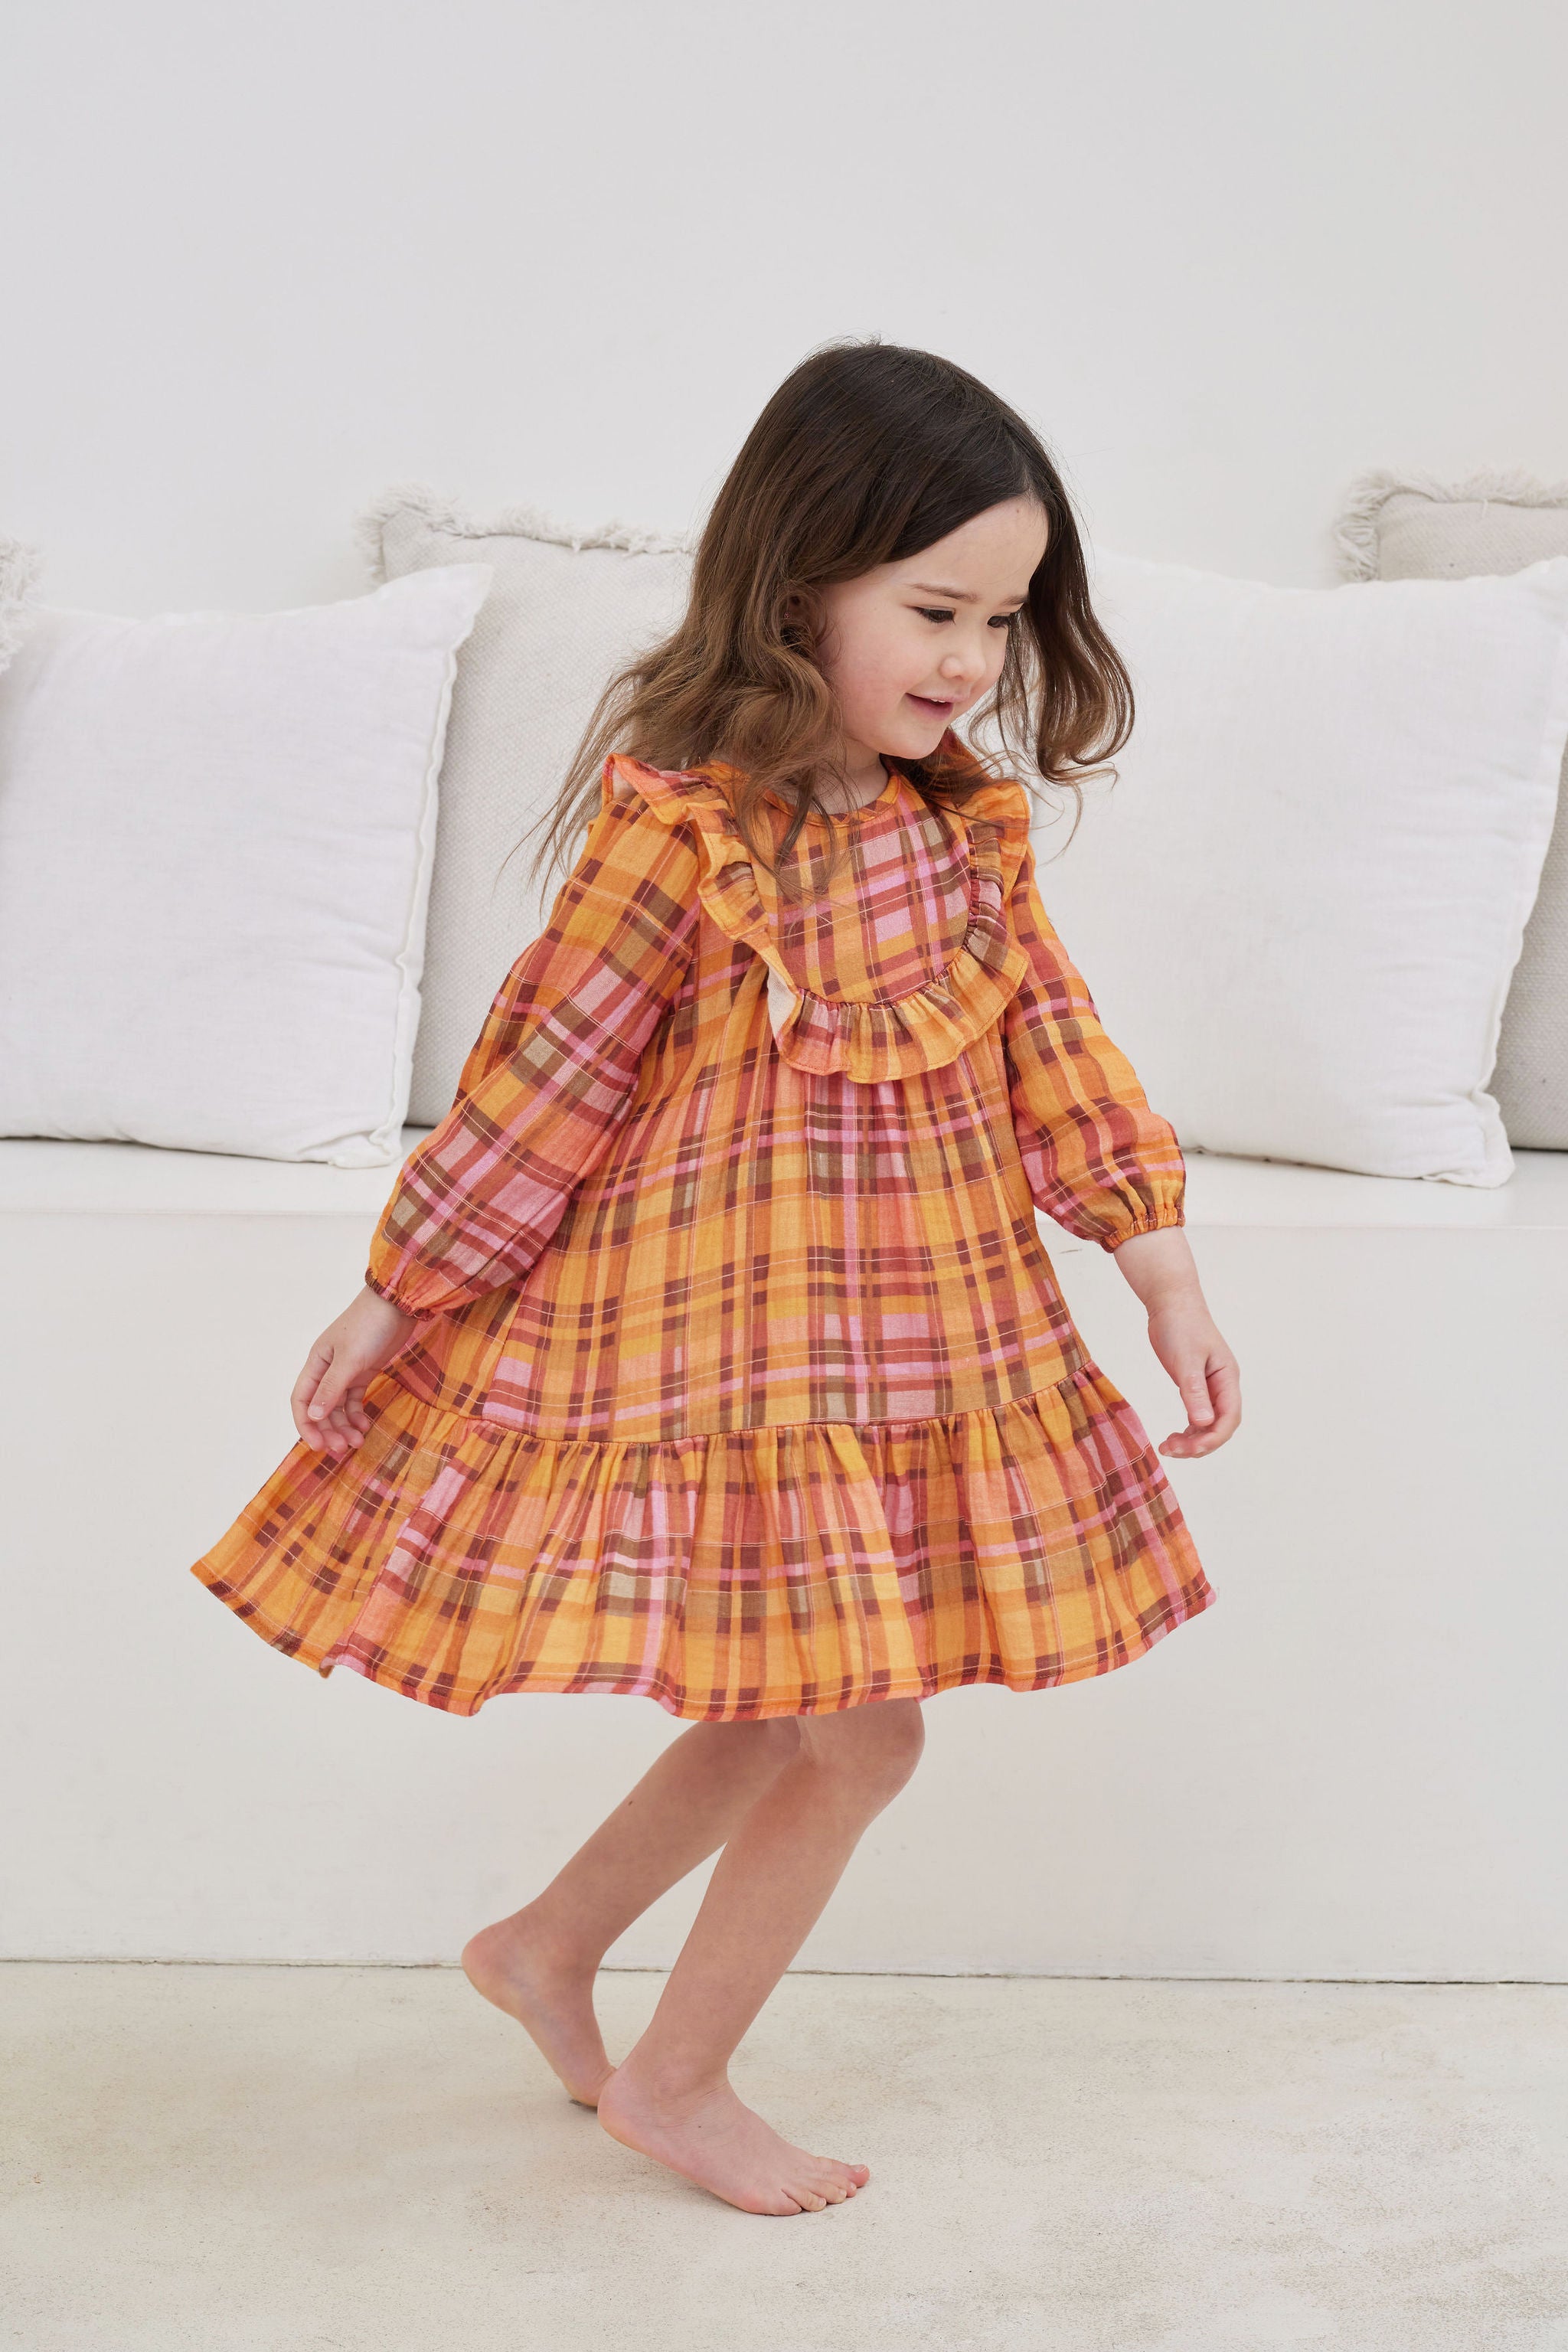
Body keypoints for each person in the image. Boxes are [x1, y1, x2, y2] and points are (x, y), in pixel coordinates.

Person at [193, 340, 1240, 2219]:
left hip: (914, 1348)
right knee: (867, 1731)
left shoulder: (957, 829)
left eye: (1000, 621)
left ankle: (542, 1948)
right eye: (933, 611)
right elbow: (550, 1072)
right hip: (736, 1354)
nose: (968, 662)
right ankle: (675, 2082)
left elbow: (1055, 1048)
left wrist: (1157, 1265)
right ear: (797, 584)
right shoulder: (686, 828)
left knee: (791, 1709)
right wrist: (402, 1287)